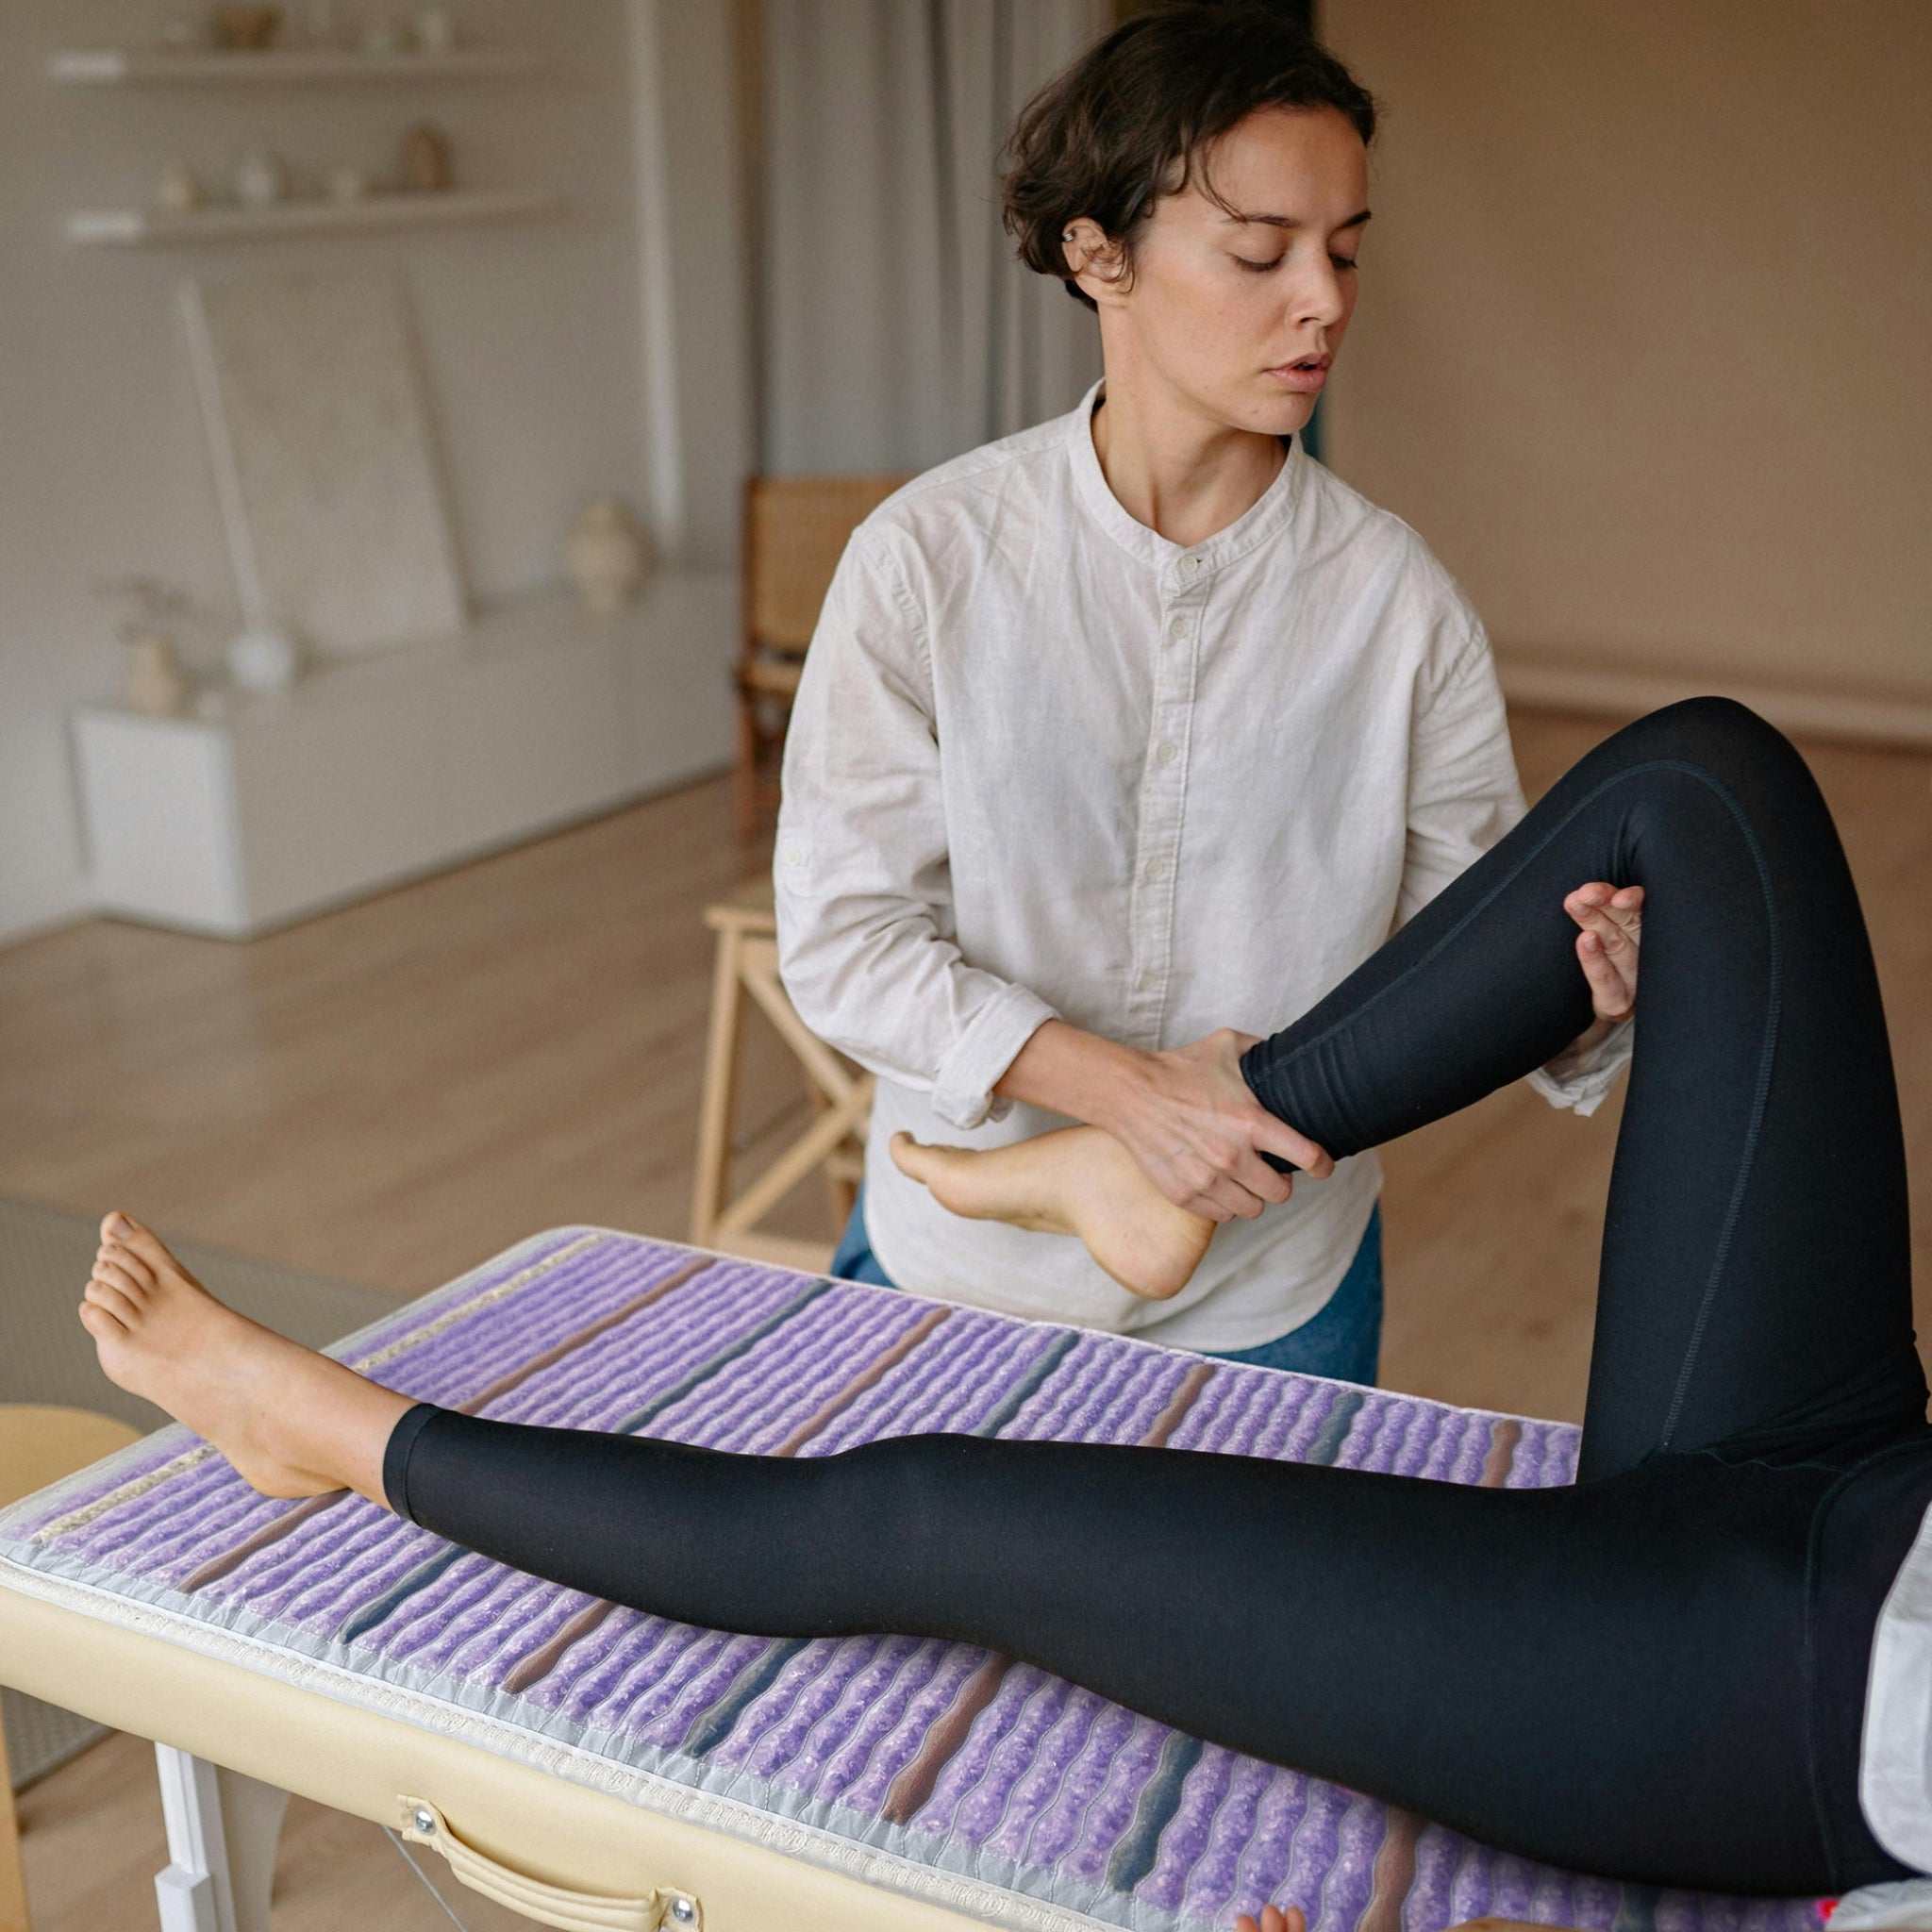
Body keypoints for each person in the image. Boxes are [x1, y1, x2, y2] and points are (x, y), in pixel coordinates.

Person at [81, 701, 1929, 1897]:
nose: (1316, 300)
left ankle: (318, 1429)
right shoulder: (954, 547)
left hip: (1783, 1689)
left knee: (922, 1513)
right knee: (1705, 787)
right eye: (1264, 250)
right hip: (1869, 1473)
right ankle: (1165, 1160)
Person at [775, 2, 1639, 1383]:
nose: (1325, 300)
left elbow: (1464, 943)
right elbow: (844, 941)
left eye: (1345, 251)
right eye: (1260, 252)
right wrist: (1130, 1098)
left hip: (1273, 1293)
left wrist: (1583, 1000)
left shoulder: (1397, 603)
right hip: (959, 1270)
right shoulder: (927, 560)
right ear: (1097, 255)